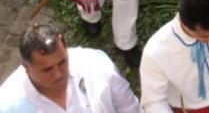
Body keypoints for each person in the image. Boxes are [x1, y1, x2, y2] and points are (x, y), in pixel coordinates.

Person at [0, 23, 141, 111]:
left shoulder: (95, 64)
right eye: (47, 69)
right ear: (26, 67)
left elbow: (128, 106)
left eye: (62, 62)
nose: (59, 75)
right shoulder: (8, 104)